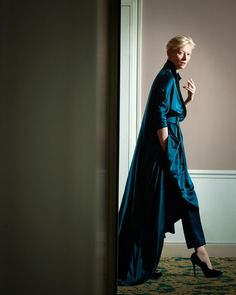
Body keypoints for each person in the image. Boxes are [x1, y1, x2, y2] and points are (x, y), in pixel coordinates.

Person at [118, 35, 222, 286]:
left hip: (170, 148)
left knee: (164, 203)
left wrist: (188, 100)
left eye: (188, 54)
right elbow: (159, 118)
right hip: (164, 151)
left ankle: (194, 253)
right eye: (181, 52)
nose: (185, 58)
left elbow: (172, 114)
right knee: (173, 200)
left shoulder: (171, 77)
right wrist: (167, 154)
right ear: (169, 51)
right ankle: (197, 254)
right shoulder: (165, 78)